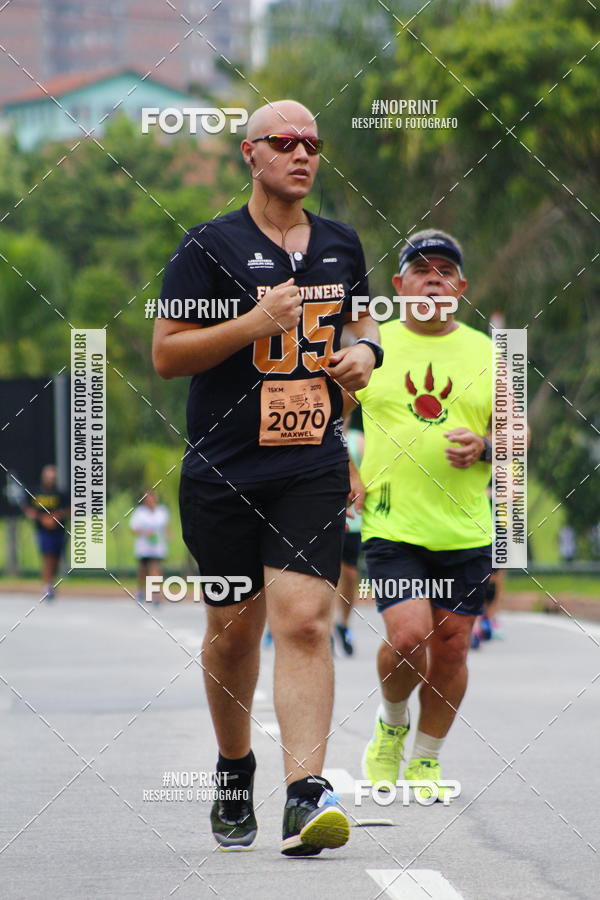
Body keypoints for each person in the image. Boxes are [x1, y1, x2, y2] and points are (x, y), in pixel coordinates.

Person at [152, 99, 381, 855]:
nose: (302, 153)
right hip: (222, 471)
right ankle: (232, 768)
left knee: (307, 622)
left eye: (313, 142)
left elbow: (362, 322)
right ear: (250, 153)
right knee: (230, 631)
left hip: (311, 462)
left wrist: (365, 355)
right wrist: (254, 323)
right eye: (285, 141)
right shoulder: (207, 246)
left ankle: (305, 794)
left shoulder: (343, 245)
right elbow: (167, 354)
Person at [353, 229, 494, 801]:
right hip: (393, 523)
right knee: (410, 637)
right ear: (399, 284)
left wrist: (485, 446)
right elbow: (327, 413)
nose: (433, 278)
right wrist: (345, 470)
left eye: (444, 271)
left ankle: (427, 759)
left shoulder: (489, 352)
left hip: (465, 526)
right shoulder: (372, 347)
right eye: (421, 269)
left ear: (460, 286)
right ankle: (391, 723)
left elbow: (518, 432)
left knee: (453, 645)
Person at [335, 411, 365, 656]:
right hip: (325, 515)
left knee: (349, 574)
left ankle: (343, 624)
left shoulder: (358, 440)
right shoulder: (319, 434)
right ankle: (323, 627)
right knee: (323, 576)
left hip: (354, 520)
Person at [22, 464, 70, 600]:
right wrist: (42, 518)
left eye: (53, 477)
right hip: (43, 531)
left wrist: (57, 515)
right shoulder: (35, 493)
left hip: (59, 531)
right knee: (47, 556)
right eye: (49, 477)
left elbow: (70, 509)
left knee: (55, 558)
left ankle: (51, 582)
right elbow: (27, 509)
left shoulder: (60, 494)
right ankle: (47, 586)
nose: (51, 480)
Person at [130, 491, 169, 603]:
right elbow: (133, 529)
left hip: (157, 548)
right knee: (143, 572)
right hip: (143, 549)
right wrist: (145, 532)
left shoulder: (162, 511)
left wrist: (168, 535)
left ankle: (156, 595)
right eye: (148, 499)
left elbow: (166, 527)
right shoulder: (140, 513)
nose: (151, 501)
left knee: (156, 570)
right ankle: (141, 591)